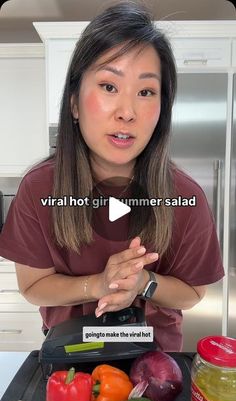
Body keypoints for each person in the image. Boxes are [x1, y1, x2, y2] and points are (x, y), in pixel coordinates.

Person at [0, 1, 224, 351]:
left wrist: (143, 282)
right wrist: (98, 284)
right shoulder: (39, 187)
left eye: (146, 92)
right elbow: (32, 286)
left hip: (154, 360)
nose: (127, 112)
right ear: (74, 102)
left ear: (161, 110)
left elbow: (193, 293)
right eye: (108, 86)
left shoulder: (186, 195)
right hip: (70, 357)